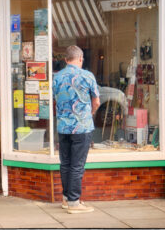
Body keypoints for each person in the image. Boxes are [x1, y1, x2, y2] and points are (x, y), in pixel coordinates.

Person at [52, 45, 100, 214]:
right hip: (81, 127)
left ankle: (66, 198)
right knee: (77, 166)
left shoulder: (57, 77)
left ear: (66, 60)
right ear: (80, 59)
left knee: (65, 163)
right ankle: (74, 202)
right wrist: (91, 113)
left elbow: (55, 100)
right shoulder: (87, 76)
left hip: (63, 127)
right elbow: (96, 101)